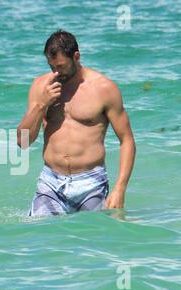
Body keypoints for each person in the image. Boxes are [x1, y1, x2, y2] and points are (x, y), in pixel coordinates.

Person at [17, 30, 136, 216]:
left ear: (76, 56)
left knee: (96, 240)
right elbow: (23, 142)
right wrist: (41, 104)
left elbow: (127, 139)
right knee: (38, 237)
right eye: (51, 66)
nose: (56, 72)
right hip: (51, 182)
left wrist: (120, 189)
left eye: (61, 66)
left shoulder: (104, 89)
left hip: (91, 184)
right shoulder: (41, 87)